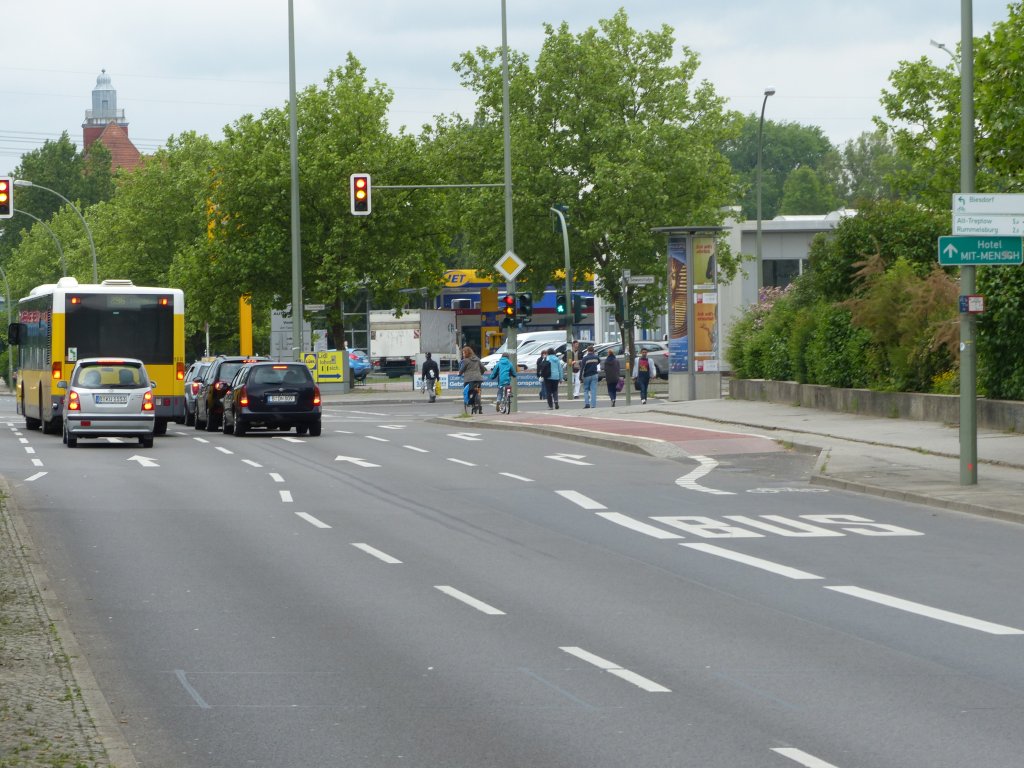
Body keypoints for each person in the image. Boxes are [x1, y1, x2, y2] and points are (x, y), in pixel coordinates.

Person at [459, 345, 485, 413]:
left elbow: (462, 370)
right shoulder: (477, 359)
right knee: (478, 391)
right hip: (478, 379)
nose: (463, 354)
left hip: (469, 379)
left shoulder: (465, 361)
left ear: (467, 353)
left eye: (464, 353)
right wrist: (480, 374)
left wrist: (459, 374)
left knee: (467, 391)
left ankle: (469, 402)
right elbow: (483, 368)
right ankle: (479, 406)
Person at [580, 344, 600, 408]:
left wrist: (580, 377)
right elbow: (598, 362)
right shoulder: (596, 357)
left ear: (587, 351)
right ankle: (593, 405)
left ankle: (587, 404)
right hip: (594, 375)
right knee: (593, 390)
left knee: (586, 390)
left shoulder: (585, 358)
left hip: (587, 375)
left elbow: (582, 368)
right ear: (593, 350)